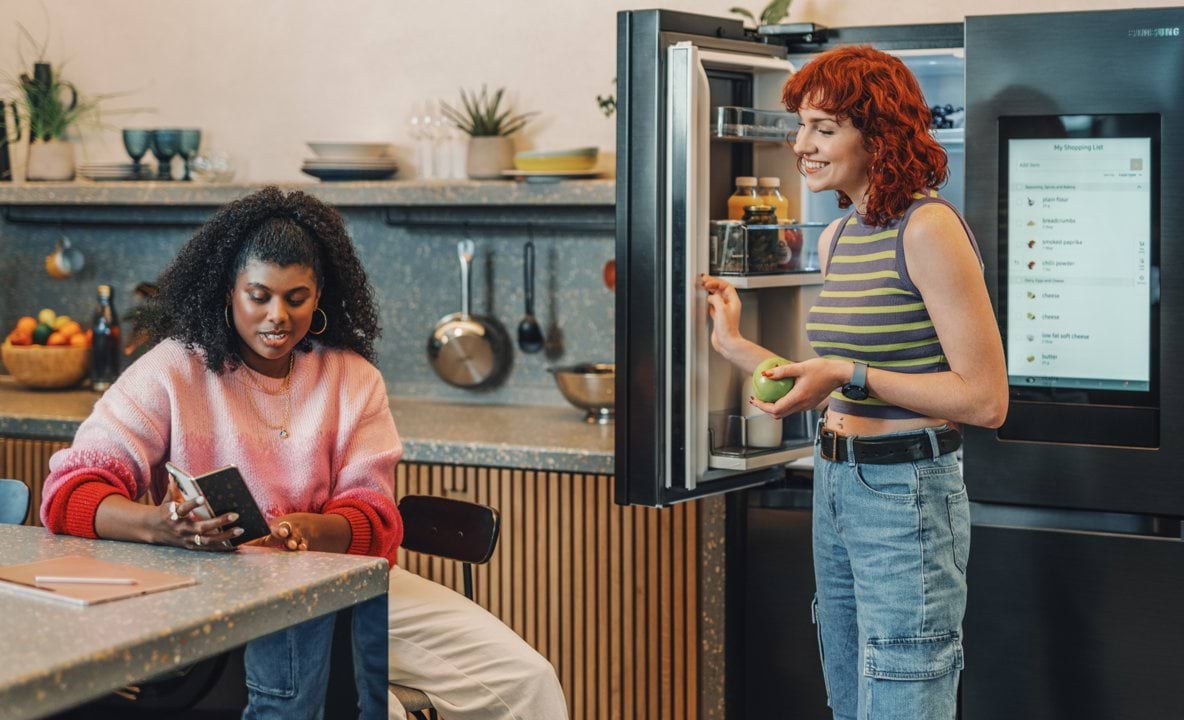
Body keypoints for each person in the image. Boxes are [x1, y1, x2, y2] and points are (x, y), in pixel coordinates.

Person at [40, 187, 569, 720]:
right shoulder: (174, 370)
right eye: (259, 295)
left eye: (296, 298)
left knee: (528, 680)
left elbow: (375, 516)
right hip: (209, 600)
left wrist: (317, 531)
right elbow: (71, 493)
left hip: (342, 590)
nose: (277, 317)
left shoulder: (353, 380)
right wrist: (159, 524)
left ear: (319, 297)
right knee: (369, 706)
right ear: (229, 291)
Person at [701, 46, 1007, 720]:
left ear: (880, 135)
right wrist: (739, 347)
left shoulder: (928, 229)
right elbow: (841, 381)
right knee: (850, 698)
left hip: (905, 492)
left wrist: (845, 372)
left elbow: (984, 399)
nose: (801, 144)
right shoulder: (839, 236)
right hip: (837, 484)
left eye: (824, 128)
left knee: (903, 694)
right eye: (801, 125)